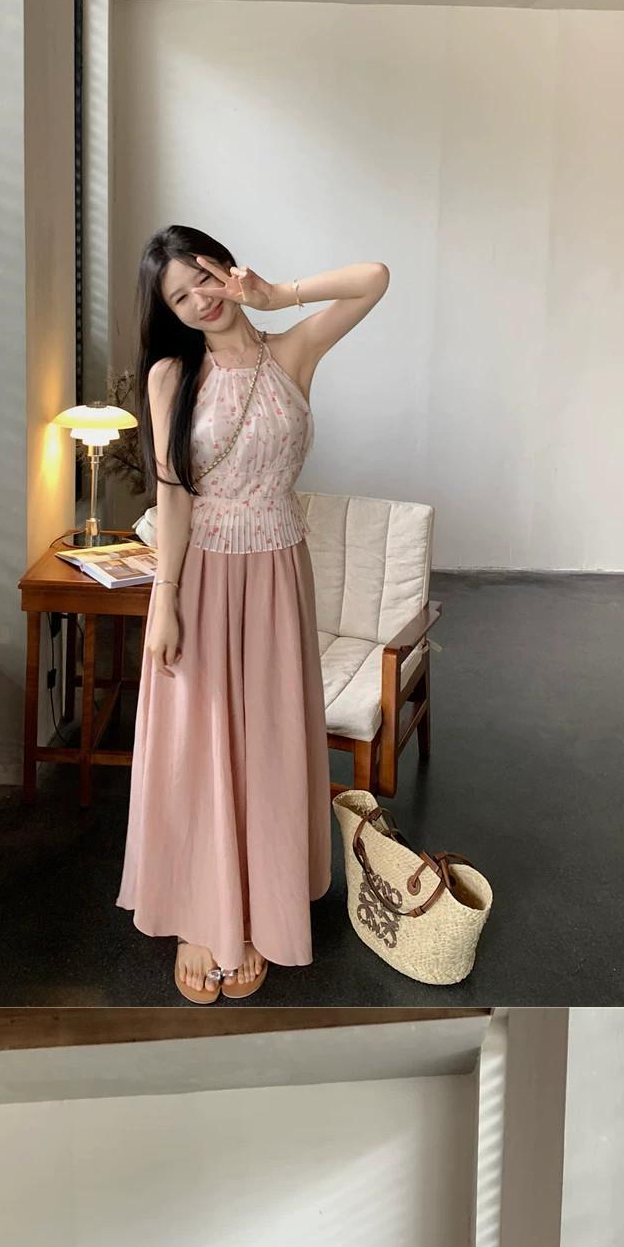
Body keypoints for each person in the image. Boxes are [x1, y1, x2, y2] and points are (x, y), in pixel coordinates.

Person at [118, 228, 390, 1002]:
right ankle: (200, 916)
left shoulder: (293, 352)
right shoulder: (172, 374)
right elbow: (173, 492)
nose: (199, 300)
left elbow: (374, 276)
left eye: (203, 277)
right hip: (201, 577)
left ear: (225, 265)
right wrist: (164, 602)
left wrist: (276, 296)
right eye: (179, 297)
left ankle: (262, 907)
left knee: (267, 741)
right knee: (197, 745)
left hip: (276, 573)